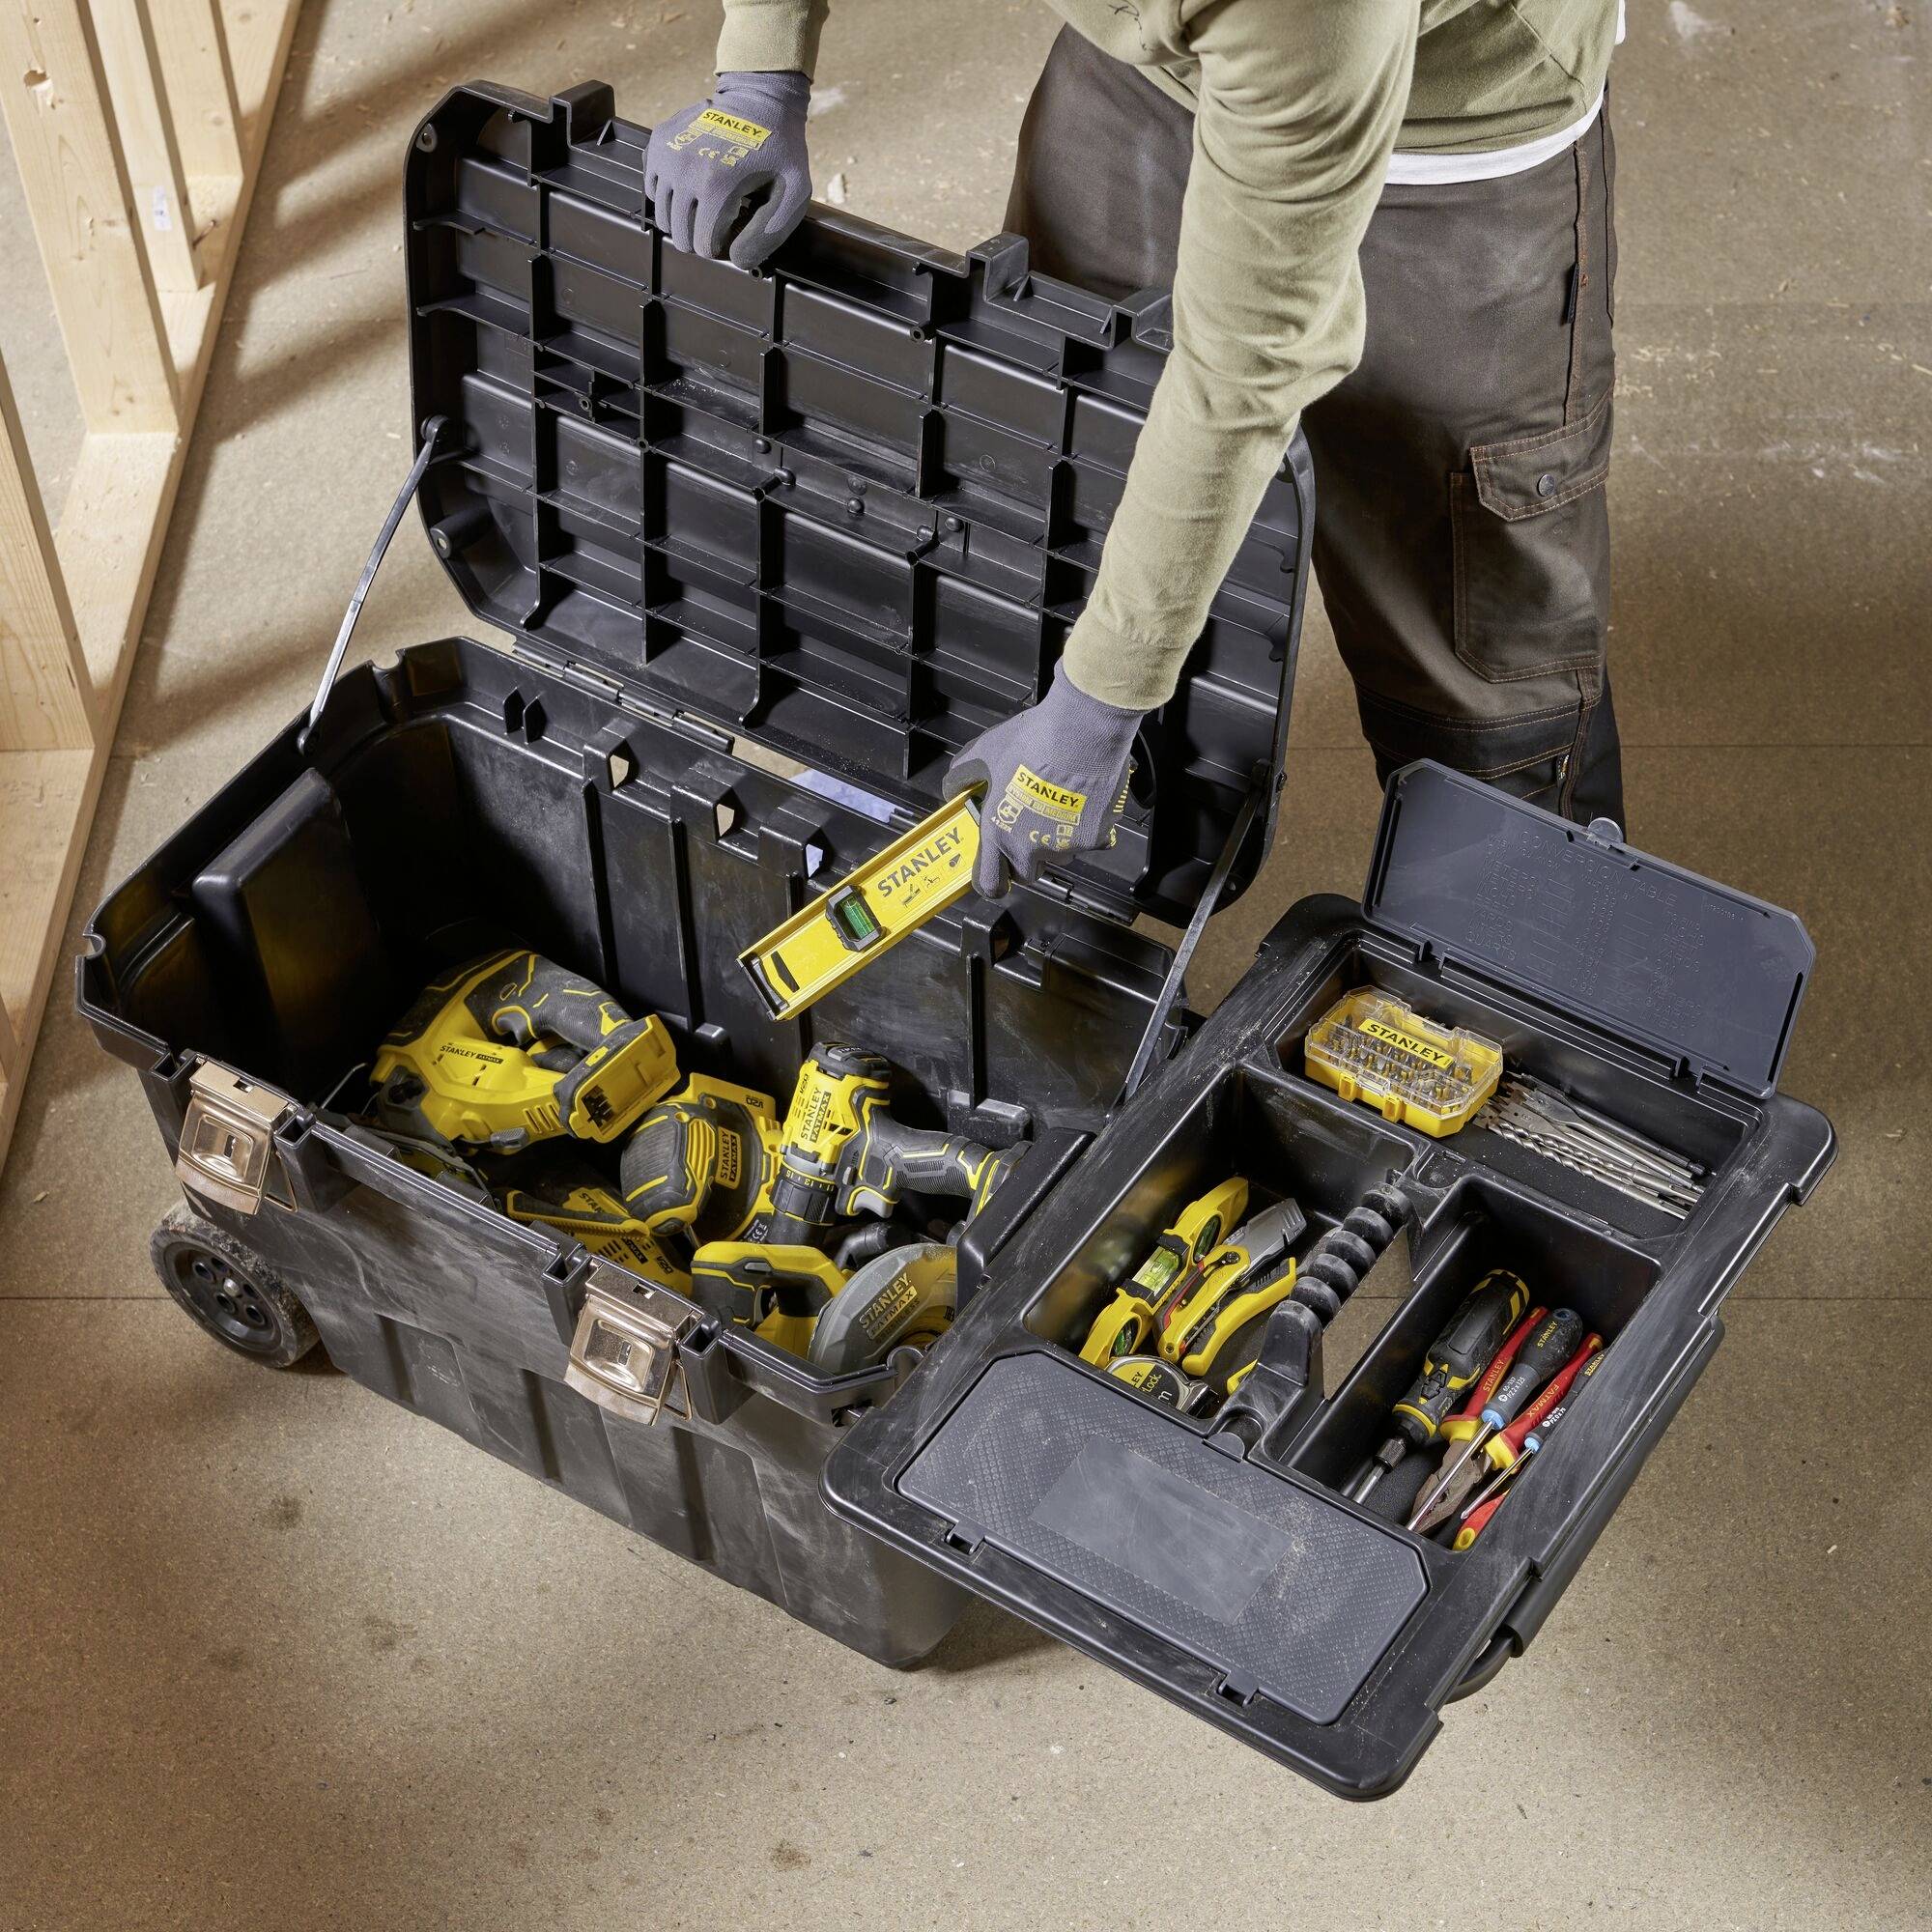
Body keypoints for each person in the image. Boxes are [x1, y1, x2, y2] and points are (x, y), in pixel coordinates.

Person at [646, 1, 1626, 895]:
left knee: (1474, 660)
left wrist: (1098, 705)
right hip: (1141, 78)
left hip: (1452, 135)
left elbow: (1243, 368)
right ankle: (1049, 883)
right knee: (1050, 497)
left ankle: (1536, 975)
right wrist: (760, 76)